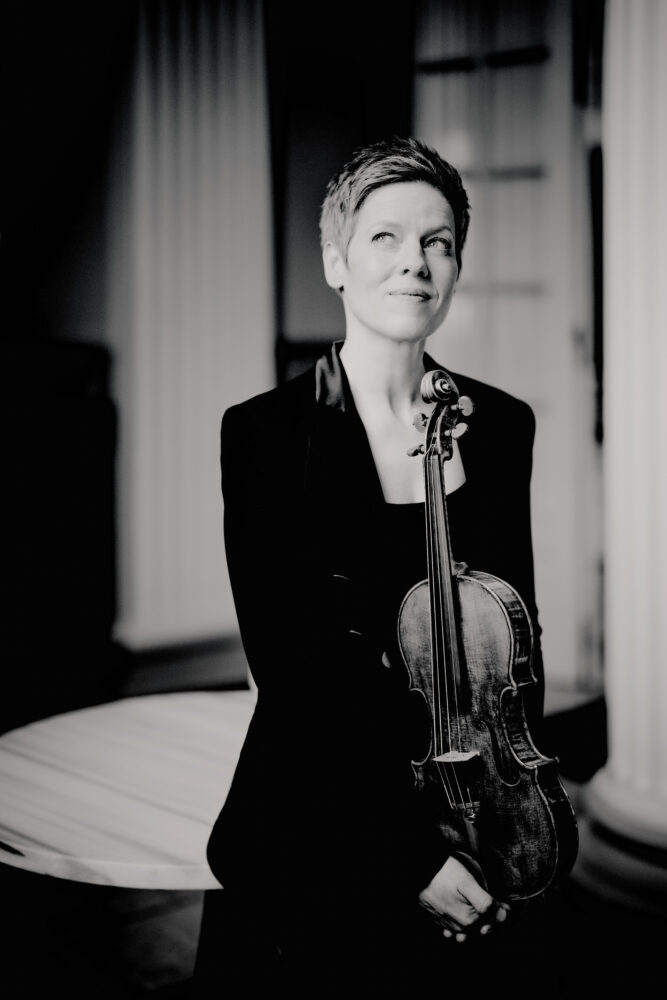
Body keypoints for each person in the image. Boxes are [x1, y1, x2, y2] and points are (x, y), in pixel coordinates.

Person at [192, 136, 551, 998]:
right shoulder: (267, 436)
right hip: (320, 821)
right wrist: (411, 859)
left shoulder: (501, 426)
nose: (414, 262)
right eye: (384, 237)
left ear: (455, 265)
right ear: (336, 262)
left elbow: (514, 649)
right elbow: (295, 678)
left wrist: (509, 822)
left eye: (437, 242)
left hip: (478, 821)